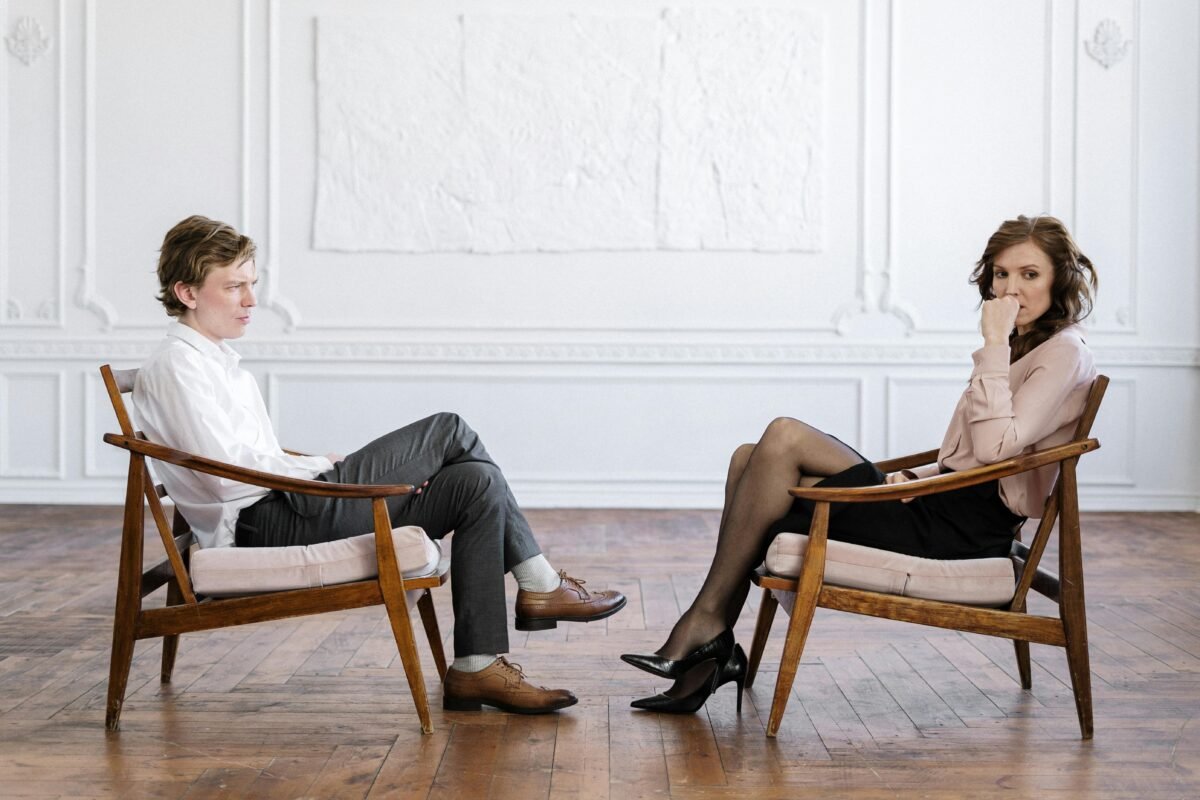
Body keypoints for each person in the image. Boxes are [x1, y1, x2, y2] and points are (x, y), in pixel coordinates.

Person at [133, 214, 626, 715]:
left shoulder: (217, 364)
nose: (251, 300)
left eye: (251, 284)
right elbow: (222, 477)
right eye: (234, 286)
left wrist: (319, 464)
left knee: (475, 481)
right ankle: (540, 585)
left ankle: (475, 666)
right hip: (265, 523)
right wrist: (320, 472)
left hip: (286, 503)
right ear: (187, 293)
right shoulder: (176, 366)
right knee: (448, 429)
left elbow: (242, 458)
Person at [621, 214, 1099, 713]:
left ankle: (706, 632)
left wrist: (993, 345)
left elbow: (996, 447)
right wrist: (905, 480)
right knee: (748, 458)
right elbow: (965, 457)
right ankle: (710, 638)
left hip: (958, 533)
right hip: (933, 504)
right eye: (1001, 274)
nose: (1010, 289)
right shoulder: (1026, 343)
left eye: (1029, 274)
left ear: (1059, 279)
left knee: (784, 436)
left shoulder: (1062, 353)